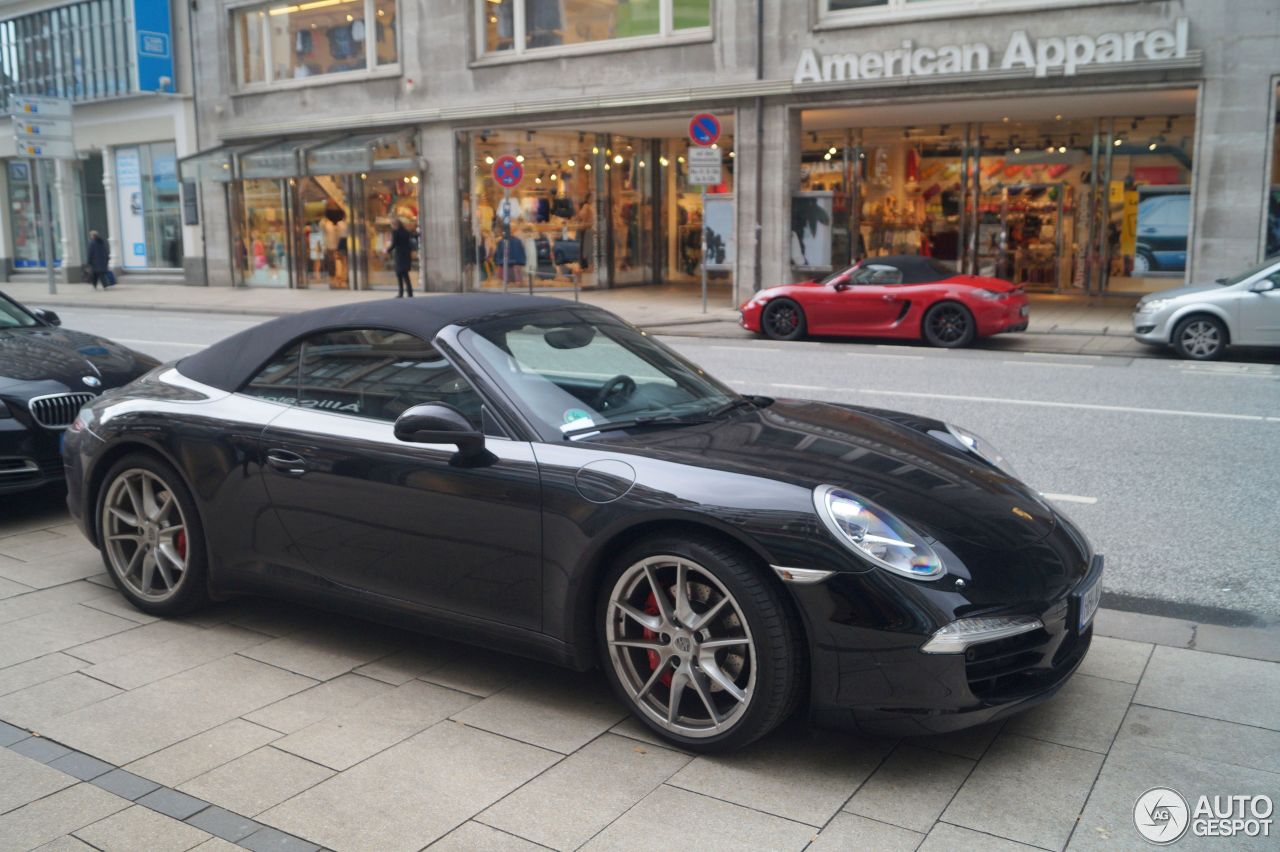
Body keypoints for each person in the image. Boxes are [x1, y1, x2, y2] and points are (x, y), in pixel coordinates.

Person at [389, 218, 417, 297]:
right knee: (405, 275)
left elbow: (394, 244)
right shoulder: (406, 232)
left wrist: (387, 250)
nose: (391, 227)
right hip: (406, 255)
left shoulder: (395, 232)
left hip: (399, 255)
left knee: (399, 274)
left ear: (395, 225)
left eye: (392, 225)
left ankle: (401, 293)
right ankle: (410, 292)